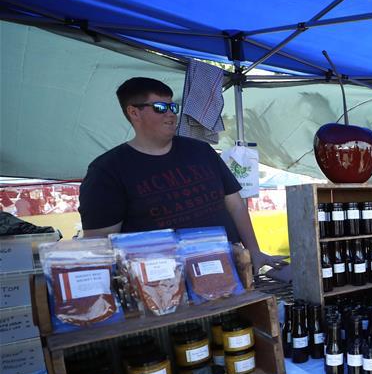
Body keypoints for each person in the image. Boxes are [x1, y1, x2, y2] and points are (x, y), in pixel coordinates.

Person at [78, 77, 282, 273]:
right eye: (160, 108)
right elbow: (100, 242)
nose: (170, 114)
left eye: (173, 107)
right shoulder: (107, 170)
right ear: (134, 112)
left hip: (229, 270)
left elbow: (235, 205)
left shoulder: (202, 151)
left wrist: (254, 251)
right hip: (162, 284)